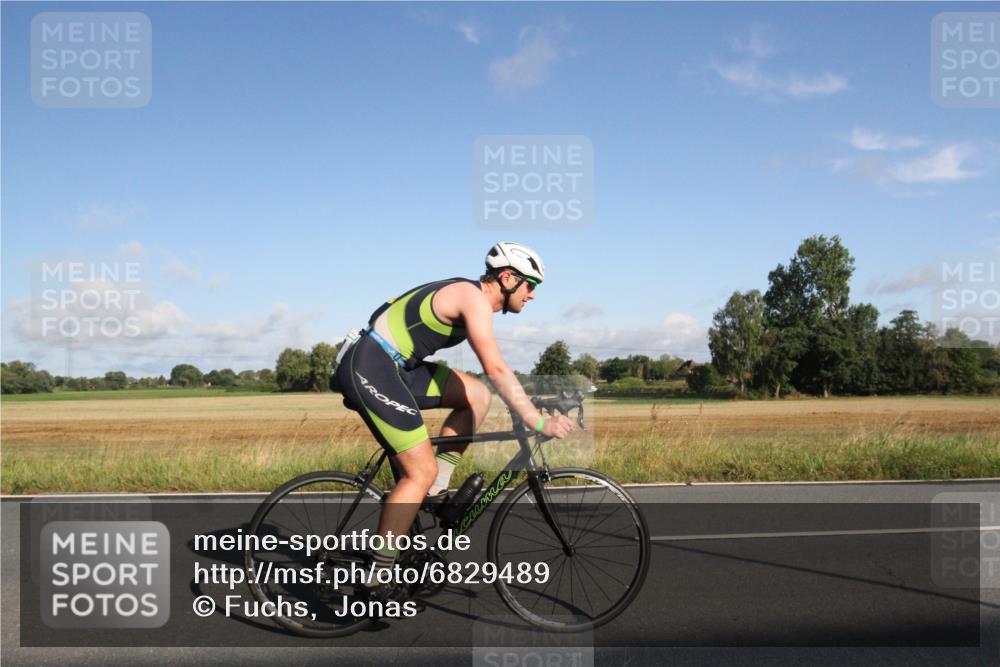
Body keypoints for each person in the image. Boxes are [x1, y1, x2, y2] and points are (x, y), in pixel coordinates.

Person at [334, 242, 575, 598]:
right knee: (420, 469)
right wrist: (536, 421)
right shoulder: (472, 298)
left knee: (478, 396)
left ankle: (435, 488)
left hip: (399, 368)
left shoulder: (472, 297)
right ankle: (378, 574)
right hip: (371, 365)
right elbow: (494, 366)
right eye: (530, 285)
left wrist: (530, 401)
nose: (533, 295)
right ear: (507, 278)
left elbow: (490, 380)